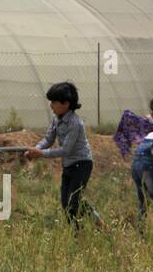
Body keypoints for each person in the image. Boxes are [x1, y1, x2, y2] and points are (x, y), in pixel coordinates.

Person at [25, 81, 99, 226]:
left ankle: (79, 236)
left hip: (82, 165)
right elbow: (48, 139)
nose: (51, 105)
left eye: (54, 102)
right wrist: (35, 149)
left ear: (66, 104)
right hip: (68, 165)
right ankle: (96, 221)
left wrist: (40, 153)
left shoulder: (75, 123)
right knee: (67, 203)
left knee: (73, 204)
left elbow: (66, 150)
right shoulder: (56, 119)